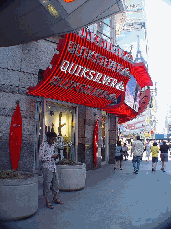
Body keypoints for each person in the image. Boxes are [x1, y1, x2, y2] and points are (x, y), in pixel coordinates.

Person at [39, 132, 64, 209]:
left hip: (53, 166)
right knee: (47, 184)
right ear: (48, 138)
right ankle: (47, 201)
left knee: (56, 183)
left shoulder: (53, 146)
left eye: (54, 139)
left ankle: (55, 198)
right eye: (52, 139)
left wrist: (55, 157)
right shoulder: (43, 145)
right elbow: (40, 157)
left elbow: (52, 155)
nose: (53, 141)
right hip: (46, 167)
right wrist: (51, 156)